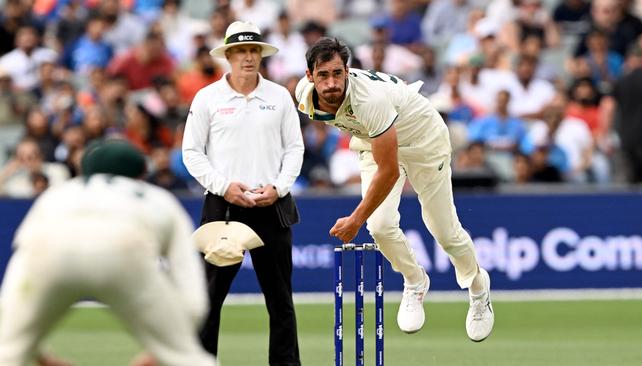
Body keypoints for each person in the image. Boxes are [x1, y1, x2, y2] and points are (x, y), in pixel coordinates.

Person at [295, 37, 494, 341]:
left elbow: (388, 172)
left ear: (347, 71)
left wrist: (354, 219)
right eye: (323, 75)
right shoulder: (304, 95)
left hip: (423, 141)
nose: (331, 83)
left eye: (337, 73)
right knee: (380, 226)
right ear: (310, 76)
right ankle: (415, 281)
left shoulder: (369, 101)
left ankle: (478, 288)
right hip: (375, 142)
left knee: (445, 233)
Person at [0, 139, 214, 366]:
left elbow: (22, 263)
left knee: (7, 353)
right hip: (124, 251)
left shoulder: (57, 195)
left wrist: (32, 349)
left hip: (47, 251)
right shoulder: (159, 199)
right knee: (190, 360)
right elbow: (191, 295)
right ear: (141, 174)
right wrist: (170, 347)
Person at [182, 21, 304, 365]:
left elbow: (294, 149)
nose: (248, 58)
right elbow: (191, 152)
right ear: (229, 56)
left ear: (261, 55)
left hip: (272, 205)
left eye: (253, 51)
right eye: (240, 52)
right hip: (223, 207)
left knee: (280, 300)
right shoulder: (207, 98)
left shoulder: (279, 96)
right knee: (207, 298)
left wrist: (278, 187)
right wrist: (224, 187)